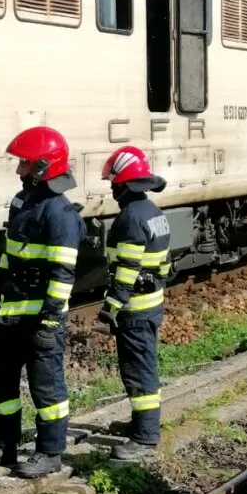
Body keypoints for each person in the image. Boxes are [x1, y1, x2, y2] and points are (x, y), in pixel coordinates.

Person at [0, 126, 86, 479]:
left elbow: (63, 274)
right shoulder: (22, 203)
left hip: (41, 319)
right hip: (11, 315)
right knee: (1, 383)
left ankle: (50, 452)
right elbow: (11, 255)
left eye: (24, 163)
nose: (18, 170)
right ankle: (4, 445)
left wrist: (51, 320)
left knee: (46, 388)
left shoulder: (60, 214)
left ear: (43, 167)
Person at [95, 146, 170, 463]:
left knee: (138, 371)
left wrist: (111, 307)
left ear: (124, 184)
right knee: (144, 366)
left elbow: (126, 272)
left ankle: (145, 436)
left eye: (114, 184)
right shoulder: (153, 212)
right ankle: (142, 423)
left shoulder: (130, 218)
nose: (112, 190)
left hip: (136, 310)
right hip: (151, 304)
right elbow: (161, 265)